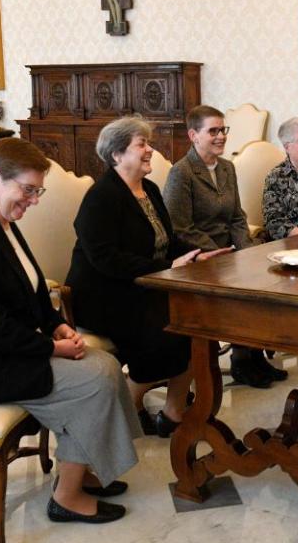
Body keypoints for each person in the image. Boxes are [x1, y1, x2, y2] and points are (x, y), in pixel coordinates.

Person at [0, 138, 136, 524]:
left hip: (4, 348)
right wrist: (50, 349)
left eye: (38, 191)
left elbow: (34, 290)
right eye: (28, 189)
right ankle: (67, 498)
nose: (34, 200)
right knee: (97, 379)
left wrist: (57, 325)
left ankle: (83, 468)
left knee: (105, 362)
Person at [65, 117, 230, 438]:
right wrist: (166, 267)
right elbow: (105, 260)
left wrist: (197, 253)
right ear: (116, 155)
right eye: (141, 144)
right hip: (104, 294)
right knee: (167, 333)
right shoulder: (101, 197)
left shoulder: (150, 189)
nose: (150, 150)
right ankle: (127, 406)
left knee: (199, 325)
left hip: (146, 286)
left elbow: (168, 239)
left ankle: (173, 412)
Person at [164, 106, 286, 388]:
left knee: (263, 275)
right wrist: (222, 254)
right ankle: (242, 360)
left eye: (223, 130)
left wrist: (246, 251)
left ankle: (254, 355)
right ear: (194, 135)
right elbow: (180, 227)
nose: (220, 137)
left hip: (228, 250)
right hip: (199, 256)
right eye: (213, 131)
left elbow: (236, 216)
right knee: (240, 289)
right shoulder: (181, 173)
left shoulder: (227, 167)